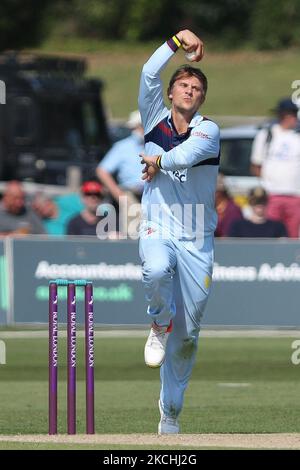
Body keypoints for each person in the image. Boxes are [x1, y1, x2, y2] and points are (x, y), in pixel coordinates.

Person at [138, 30, 220, 434]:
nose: (190, 90)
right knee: (154, 269)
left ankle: (169, 413)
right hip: (157, 227)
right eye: (183, 85)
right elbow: (148, 71)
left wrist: (158, 161)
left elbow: (186, 155)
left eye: (197, 87)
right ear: (171, 93)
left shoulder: (209, 131)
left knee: (187, 339)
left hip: (197, 240)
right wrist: (176, 40)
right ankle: (157, 322)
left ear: (201, 98)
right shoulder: (153, 118)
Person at [250, 97, 300, 237]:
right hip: (272, 194)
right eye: (291, 114)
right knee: (271, 233)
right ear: (283, 115)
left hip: (295, 195)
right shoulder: (267, 135)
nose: (294, 118)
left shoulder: (297, 136)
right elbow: (256, 165)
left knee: (293, 236)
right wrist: (267, 182)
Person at [96, 110, 144, 235]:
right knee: (134, 232)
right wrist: (118, 194)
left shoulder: (155, 145)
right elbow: (102, 170)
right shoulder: (122, 147)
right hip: (131, 194)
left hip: (152, 194)